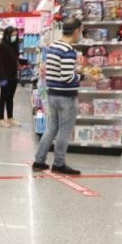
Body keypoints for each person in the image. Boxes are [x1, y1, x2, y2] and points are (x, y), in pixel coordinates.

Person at [32, 16, 83, 175]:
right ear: (76, 31)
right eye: (81, 31)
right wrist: (84, 76)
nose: (80, 34)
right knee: (64, 131)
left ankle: (39, 161)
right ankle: (59, 164)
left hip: (52, 94)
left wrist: (74, 72)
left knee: (51, 129)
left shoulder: (54, 46)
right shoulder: (68, 50)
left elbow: (56, 71)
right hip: (65, 97)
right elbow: (66, 77)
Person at [0, 26, 21, 126]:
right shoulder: (2, 45)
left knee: (10, 97)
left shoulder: (14, 45)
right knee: (3, 97)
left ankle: (10, 118)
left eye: (16, 34)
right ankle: (1, 119)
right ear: (7, 35)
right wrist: (2, 77)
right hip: (4, 76)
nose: (14, 36)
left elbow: (14, 59)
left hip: (14, 75)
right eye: (12, 35)